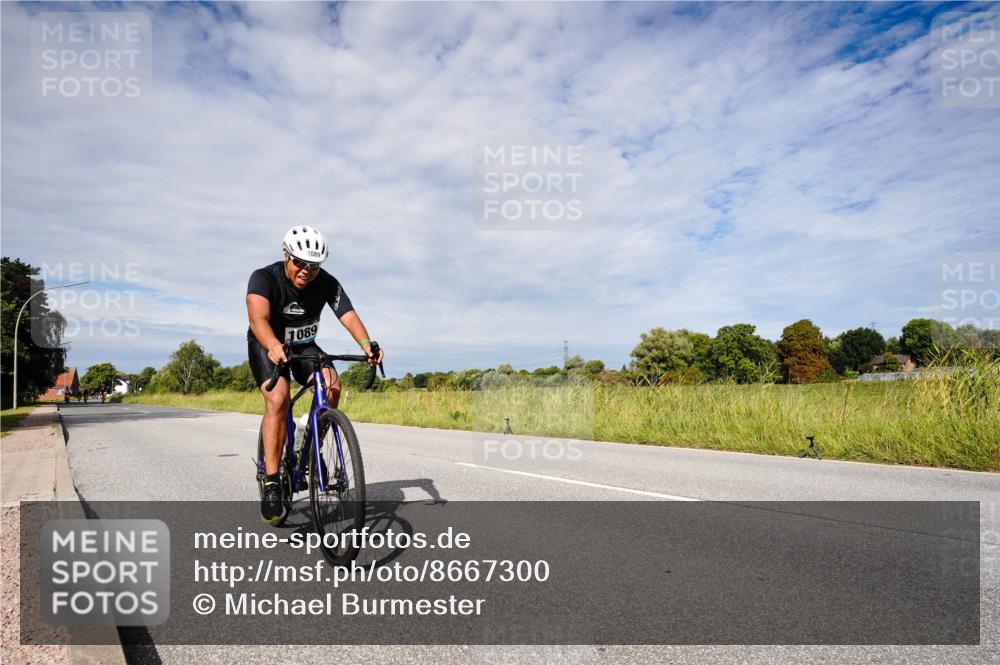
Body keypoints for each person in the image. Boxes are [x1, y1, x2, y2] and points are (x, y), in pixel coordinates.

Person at [246, 225, 384, 525]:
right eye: (300, 263)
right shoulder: (263, 277)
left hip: (304, 346)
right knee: (278, 398)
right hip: (267, 344)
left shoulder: (327, 283)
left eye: (315, 266)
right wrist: (271, 344)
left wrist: (367, 345)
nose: (307, 271)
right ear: (286, 256)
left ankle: (308, 442)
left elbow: (347, 314)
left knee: (332, 387)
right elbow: (257, 319)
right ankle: (272, 482)